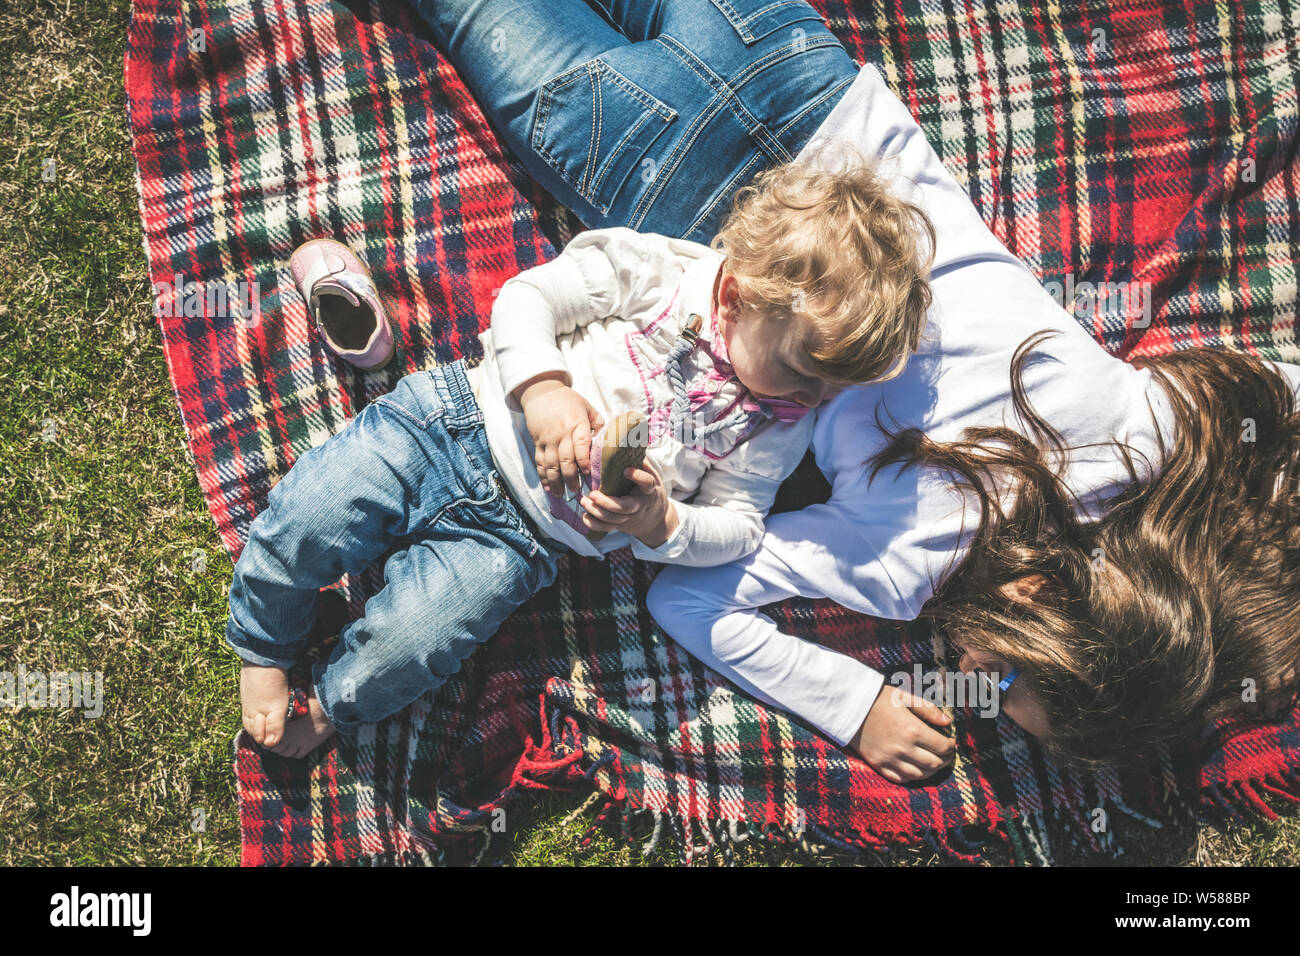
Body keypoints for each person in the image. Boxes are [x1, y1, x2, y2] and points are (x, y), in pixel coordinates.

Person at [412, 0, 1300, 781]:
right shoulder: (902, 566)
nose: (971, 684)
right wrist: (854, 702)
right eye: (998, 681)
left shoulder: (1153, 436)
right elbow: (687, 597)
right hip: (671, 181)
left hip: (810, 88)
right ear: (1032, 613)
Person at [227, 154, 936, 757]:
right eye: (802, 373)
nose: (811, 400)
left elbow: (742, 526)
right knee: (312, 512)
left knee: (416, 642)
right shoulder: (658, 272)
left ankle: (330, 701)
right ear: (742, 296)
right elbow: (530, 299)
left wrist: (663, 525)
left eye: (828, 391)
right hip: (453, 424)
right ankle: (264, 640)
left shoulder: (779, 426)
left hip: (518, 540)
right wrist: (544, 390)